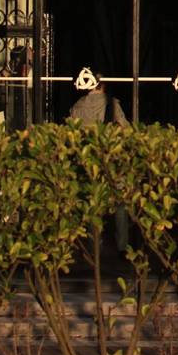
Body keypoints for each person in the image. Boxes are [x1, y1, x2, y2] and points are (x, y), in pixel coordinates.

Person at [68, 67, 129, 250]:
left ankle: (94, 245)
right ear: (103, 84)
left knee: (92, 203)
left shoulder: (77, 106)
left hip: (87, 161)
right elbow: (126, 129)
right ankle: (122, 246)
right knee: (119, 204)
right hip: (110, 159)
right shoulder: (111, 103)